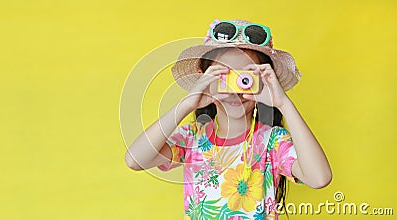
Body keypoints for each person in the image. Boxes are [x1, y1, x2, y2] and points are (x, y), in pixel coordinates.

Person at [125, 19, 332, 219]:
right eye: (224, 77)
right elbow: (135, 160)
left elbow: (319, 178)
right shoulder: (191, 138)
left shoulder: (273, 142)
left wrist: (283, 104)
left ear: (264, 82)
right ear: (204, 78)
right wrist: (187, 104)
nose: (235, 92)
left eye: (245, 79)